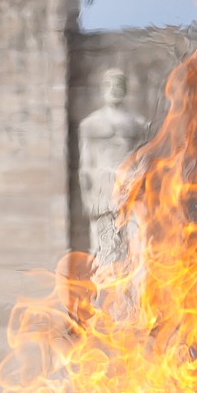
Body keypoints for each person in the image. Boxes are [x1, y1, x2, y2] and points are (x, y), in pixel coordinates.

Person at [77, 68, 148, 269]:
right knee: (104, 244)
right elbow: (86, 162)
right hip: (103, 184)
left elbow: (143, 157)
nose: (114, 89)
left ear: (125, 89)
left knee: (135, 240)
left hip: (130, 184)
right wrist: (87, 197)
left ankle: (133, 290)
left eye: (119, 85)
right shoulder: (90, 124)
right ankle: (107, 289)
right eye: (110, 85)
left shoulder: (138, 123)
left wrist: (139, 183)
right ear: (103, 89)